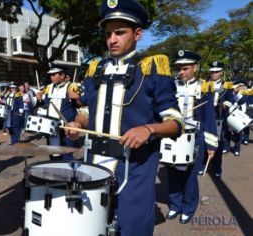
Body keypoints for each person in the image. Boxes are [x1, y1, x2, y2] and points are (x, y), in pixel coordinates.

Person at [65, 1, 184, 235]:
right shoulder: (95, 71)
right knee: (92, 226)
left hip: (135, 168)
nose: (112, 39)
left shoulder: (151, 70)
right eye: (108, 33)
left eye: (120, 32)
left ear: (137, 34)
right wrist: (78, 123)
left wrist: (149, 129)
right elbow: (90, 114)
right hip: (95, 164)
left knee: (131, 228)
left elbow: (176, 123)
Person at [165, 50, 217, 224]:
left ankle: (188, 207)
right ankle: (174, 205)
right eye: (179, 68)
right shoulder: (171, 86)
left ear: (194, 67)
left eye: (185, 68)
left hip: (196, 136)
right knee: (172, 172)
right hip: (173, 134)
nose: (181, 72)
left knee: (190, 174)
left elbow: (209, 116)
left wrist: (211, 146)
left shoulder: (204, 87)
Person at [36, 67, 78, 160]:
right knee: (53, 152)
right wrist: (39, 99)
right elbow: (45, 105)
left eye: (54, 75)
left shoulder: (71, 86)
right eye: (50, 75)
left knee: (66, 153)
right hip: (51, 126)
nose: (51, 77)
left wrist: (77, 97)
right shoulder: (48, 87)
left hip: (66, 125)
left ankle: (68, 172)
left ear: (62, 75)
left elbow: (79, 105)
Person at [208, 61, 235, 178]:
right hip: (206, 117)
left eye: (216, 71)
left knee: (217, 144)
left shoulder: (227, 85)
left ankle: (217, 168)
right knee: (204, 141)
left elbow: (232, 100)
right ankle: (203, 165)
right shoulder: (205, 84)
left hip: (219, 116)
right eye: (212, 71)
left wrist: (226, 104)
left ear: (221, 72)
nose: (214, 73)